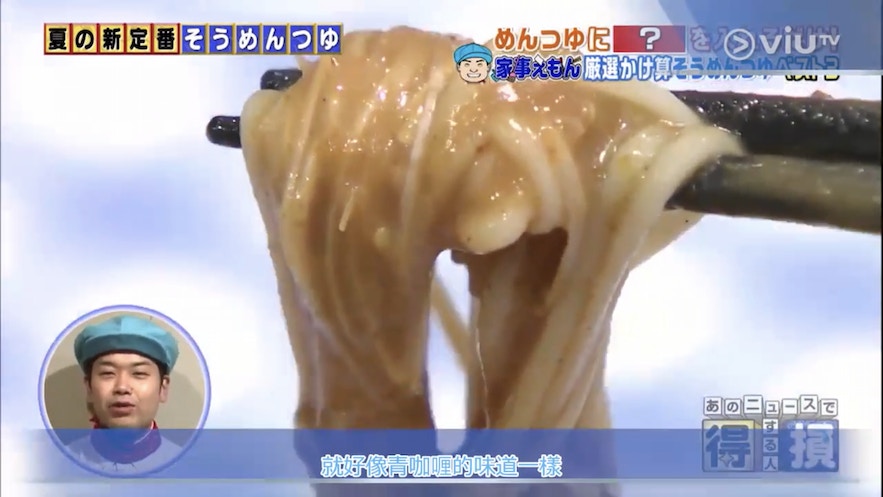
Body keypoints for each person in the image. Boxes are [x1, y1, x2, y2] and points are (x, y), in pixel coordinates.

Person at [64, 314, 184, 474]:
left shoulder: (191, 471)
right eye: (107, 373)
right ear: (89, 388)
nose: (122, 387)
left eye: (139, 373)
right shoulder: (55, 466)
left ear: (163, 388)